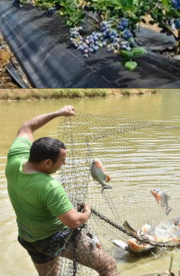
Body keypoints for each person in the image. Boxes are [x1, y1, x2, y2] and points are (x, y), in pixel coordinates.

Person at [5, 106, 119, 276]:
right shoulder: (49, 186)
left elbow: (26, 127)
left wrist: (58, 113)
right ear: (47, 163)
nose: (64, 163)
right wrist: (86, 212)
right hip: (55, 239)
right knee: (108, 265)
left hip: (28, 238)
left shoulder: (15, 158)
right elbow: (73, 221)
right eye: (62, 160)